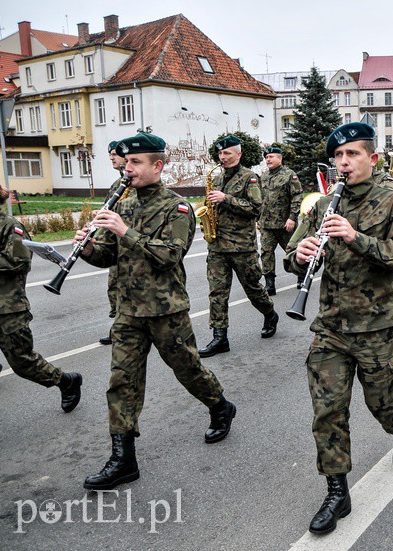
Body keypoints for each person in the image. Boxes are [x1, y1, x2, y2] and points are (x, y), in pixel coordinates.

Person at [75, 134, 235, 490]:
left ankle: (220, 406)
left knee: (188, 370)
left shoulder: (176, 208)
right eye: (125, 163)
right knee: (122, 382)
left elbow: (168, 256)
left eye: (135, 163)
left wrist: (124, 230)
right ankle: (123, 458)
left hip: (165, 310)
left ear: (157, 166)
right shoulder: (122, 205)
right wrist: (88, 248)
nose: (126, 169)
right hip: (129, 311)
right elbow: (108, 257)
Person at [284, 122, 393, 536]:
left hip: (378, 327)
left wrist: (357, 237)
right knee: (328, 411)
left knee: (383, 405)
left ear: (372, 159)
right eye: (338, 156)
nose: (344, 162)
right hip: (331, 328)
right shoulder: (322, 205)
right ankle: (337, 491)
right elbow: (293, 255)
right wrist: (300, 255)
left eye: (353, 154)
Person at [0, 173, 83, 425]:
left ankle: (66, 381)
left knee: (22, 363)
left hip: (6, 309)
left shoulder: (10, 225)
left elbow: (18, 261)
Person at [198, 135, 279, 358]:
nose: (222, 157)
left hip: (242, 246)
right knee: (217, 292)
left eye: (227, 153)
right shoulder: (217, 178)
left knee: (253, 289)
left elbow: (255, 208)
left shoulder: (249, 178)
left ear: (238, 155)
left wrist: (226, 199)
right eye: (220, 154)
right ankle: (220, 337)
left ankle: (270, 314)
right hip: (217, 246)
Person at [259, 145, 302, 295]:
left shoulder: (289, 175)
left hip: (285, 224)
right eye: (266, 157)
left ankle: (301, 275)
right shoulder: (264, 176)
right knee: (266, 253)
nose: (268, 160)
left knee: (293, 250)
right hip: (266, 224)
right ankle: (270, 283)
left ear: (280, 158)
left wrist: (292, 218)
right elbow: (260, 199)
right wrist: (258, 219)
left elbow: (297, 197)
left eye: (271, 157)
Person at [100, 141, 129, 346]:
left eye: (114, 154)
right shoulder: (116, 186)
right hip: (115, 245)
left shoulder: (135, 185)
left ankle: (122, 329)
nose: (111, 158)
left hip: (131, 243)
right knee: (114, 286)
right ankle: (117, 326)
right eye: (109, 154)